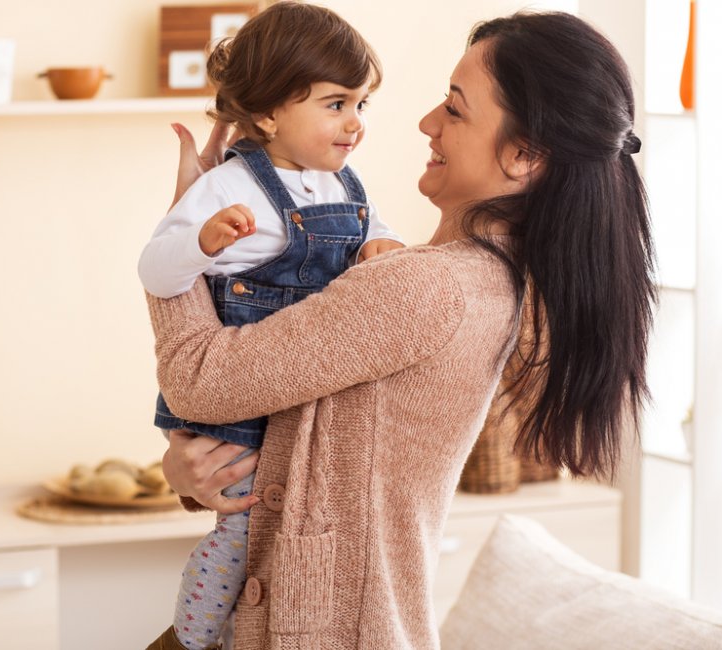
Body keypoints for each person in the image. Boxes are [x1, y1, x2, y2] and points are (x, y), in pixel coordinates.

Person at [146, 10, 655, 650]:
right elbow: (306, 441)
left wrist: (180, 242)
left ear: (525, 155)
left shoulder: (422, 289)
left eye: (455, 109)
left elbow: (199, 381)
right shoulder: (479, 279)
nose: (426, 124)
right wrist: (197, 468)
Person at [139, 3, 402, 649]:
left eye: (361, 105)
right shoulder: (227, 185)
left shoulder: (341, 183)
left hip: (300, 394)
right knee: (241, 529)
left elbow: (377, 229)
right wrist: (199, 241)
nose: (354, 124)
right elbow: (155, 271)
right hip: (236, 405)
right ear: (266, 114)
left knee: (280, 537)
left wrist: (381, 247)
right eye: (336, 104)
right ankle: (192, 637)